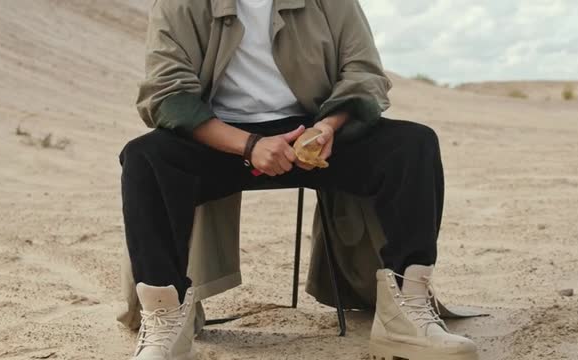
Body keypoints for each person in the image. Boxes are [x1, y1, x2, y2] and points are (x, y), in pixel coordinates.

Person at [120, 0, 478, 359]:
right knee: (145, 158)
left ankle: (407, 315)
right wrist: (249, 145)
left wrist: (326, 127)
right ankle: (165, 321)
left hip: (316, 131)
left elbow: (363, 72)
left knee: (413, 145)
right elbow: (167, 92)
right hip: (222, 139)